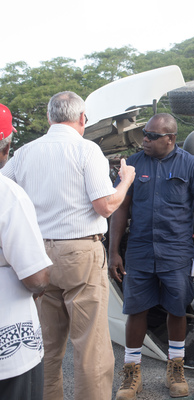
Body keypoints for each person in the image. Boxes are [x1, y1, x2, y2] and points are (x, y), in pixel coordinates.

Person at [0, 91, 136, 400]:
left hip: (37, 255)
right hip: (79, 253)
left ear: (49, 117)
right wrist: (125, 180)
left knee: (47, 345)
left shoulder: (24, 152)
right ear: (82, 118)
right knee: (91, 346)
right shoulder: (87, 151)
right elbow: (104, 206)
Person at [109, 113, 194, 399]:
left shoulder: (190, 165)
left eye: (151, 136)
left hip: (176, 251)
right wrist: (113, 251)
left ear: (170, 138)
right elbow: (120, 208)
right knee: (136, 311)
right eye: (144, 134)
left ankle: (176, 368)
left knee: (176, 309)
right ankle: (131, 373)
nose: (144, 140)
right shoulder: (133, 165)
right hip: (140, 250)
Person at [0, 104, 52, 400]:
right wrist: (41, 283)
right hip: (9, 349)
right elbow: (35, 278)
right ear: (6, 146)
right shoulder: (7, 194)